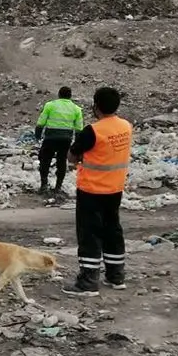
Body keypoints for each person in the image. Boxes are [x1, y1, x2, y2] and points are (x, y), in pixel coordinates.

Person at [62, 87, 133, 297]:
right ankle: (116, 276)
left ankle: (88, 281)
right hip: (115, 188)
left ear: (96, 106)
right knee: (112, 230)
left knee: (90, 233)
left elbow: (72, 157)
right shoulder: (126, 126)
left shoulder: (93, 130)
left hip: (92, 190)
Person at [35, 86, 84, 194]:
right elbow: (79, 128)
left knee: (45, 160)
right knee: (61, 161)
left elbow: (41, 122)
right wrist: (77, 144)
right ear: (70, 96)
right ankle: (58, 187)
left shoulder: (50, 105)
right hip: (66, 139)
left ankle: (43, 185)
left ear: (59, 95)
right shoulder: (76, 109)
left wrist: (38, 135)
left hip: (50, 137)